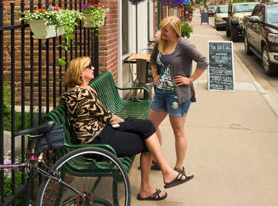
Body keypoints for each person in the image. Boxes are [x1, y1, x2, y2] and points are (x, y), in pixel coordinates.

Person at [61, 56, 193, 201]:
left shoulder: (77, 92)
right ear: (81, 72)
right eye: (89, 66)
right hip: (96, 142)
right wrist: (126, 124)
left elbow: (98, 112)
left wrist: (85, 86)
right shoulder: (82, 94)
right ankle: (152, 185)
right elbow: (108, 117)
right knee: (147, 137)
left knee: (147, 128)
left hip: (101, 133)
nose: (93, 68)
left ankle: (164, 174)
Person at [148, 16, 208, 177]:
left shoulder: (183, 44)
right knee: (150, 126)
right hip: (160, 93)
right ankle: (156, 160)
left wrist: (190, 79)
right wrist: (155, 74)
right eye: (161, 29)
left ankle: (179, 167)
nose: (162, 32)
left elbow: (203, 61)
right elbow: (153, 60)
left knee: (178, 131)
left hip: (177, 95)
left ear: (175, 31)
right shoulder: (160, 43)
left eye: (165, 30)